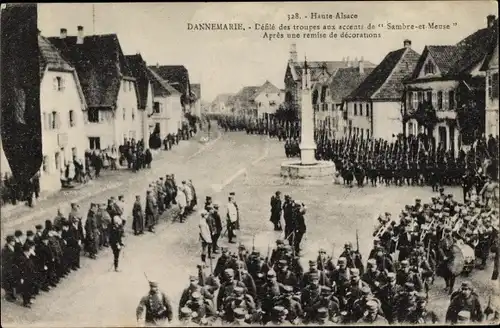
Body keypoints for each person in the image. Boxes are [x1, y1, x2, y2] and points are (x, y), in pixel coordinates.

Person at [2, 235, 18, 302]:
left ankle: (12, 295)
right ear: (9, 242)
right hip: (8, 269)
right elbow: (3, 261)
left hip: (12, 268)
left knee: (12, 282)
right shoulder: (5, 250)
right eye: (13, 241)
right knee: (8, 283)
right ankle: (8, 297)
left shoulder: (12, 247)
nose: (14, 242)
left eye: (14, 241)